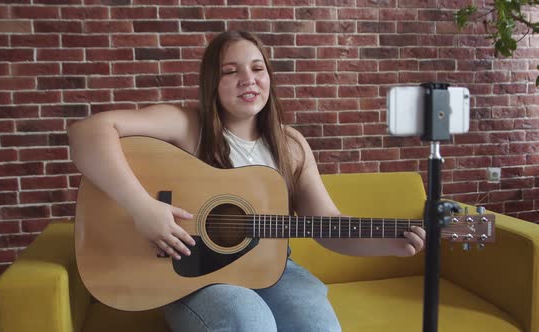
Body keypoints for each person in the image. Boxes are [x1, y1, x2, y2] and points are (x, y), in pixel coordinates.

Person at [68, 30, 426, 332]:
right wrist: (142, 208)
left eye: (258, 68)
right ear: (213, 81)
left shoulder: (291, 145)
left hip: (273, 269)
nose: (248, 79)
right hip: (193, 277)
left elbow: (327, 225)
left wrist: (388, 244)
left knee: (320, 328)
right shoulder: (186, 125)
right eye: (231, 71)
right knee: (249, 323)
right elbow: (88, 133)